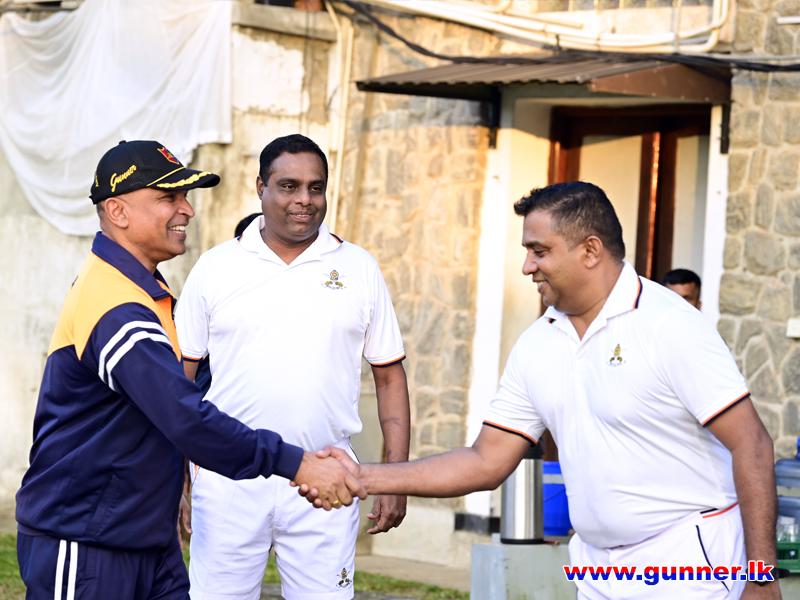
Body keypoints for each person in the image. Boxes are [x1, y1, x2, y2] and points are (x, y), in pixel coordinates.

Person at [308, 181, 780, 599]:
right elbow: (485, 461)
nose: (526, 266)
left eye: (539, 251)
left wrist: (760, 577)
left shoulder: (669, 325)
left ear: (590, 251)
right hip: (597, 567)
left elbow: (752, 444)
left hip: (690, 562)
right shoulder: (537, 343)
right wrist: (364, 476)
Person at [15, 140, 364, 600]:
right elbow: (185, 418)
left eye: (185, 196)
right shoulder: (115, 306)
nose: (187, 210)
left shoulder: (145, 292)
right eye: (168, 197)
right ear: (117, 211)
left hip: (144, 541)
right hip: (86, 544)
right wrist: (296, 463)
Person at [175, 134, 410, 600]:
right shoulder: (215, 267)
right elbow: (178, 383)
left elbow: (389, 377)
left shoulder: (358, 267)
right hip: (227, 479)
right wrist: (175, 478)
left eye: (315, 188)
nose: (305, 200)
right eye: (288, 186)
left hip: (327, 480)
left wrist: (394, 477)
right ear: (260, 187)